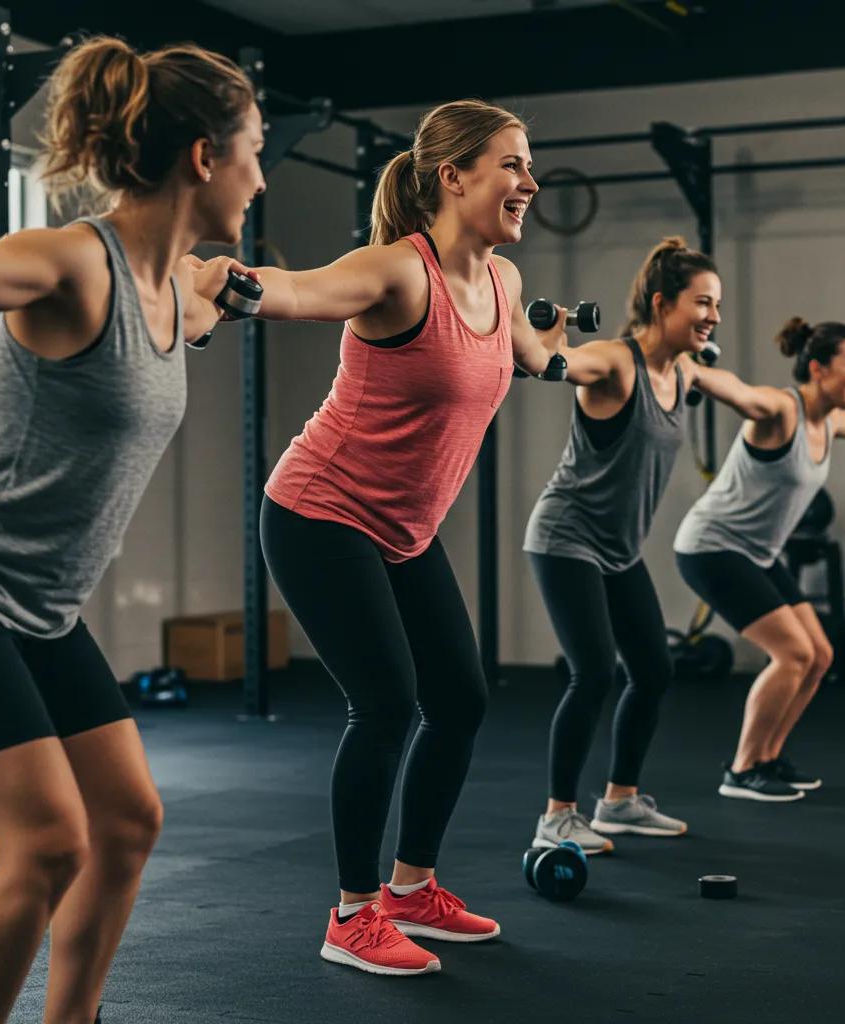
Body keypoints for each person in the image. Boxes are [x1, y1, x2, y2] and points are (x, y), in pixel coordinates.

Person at [0, 37, 264, 1023]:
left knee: (126, 821)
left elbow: (199, 302)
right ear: (204, 157)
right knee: (49, 845)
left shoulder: (172, 293)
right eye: (254, 150)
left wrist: (222, 288)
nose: (262, 173)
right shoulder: (73, 262)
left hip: (40, 608)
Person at [254, 98, 587, 977]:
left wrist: (557, 357)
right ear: (454, 176)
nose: (530, 181)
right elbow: (304, 291)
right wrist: (239, 287)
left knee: (462, 698)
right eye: (513, 164)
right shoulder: (400, 273)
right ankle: (353, 913)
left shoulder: (505, 282)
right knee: (390, 703)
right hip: (320, 513)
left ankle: (411, 889)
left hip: (403, 530)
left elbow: (523, 350)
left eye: (529, 164)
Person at [523, 236, 718, 854]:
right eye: (703, 303)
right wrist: (552, 338)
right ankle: (557, 816)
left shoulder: (683, 371)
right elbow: (553, 365)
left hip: (618, 548)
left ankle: (620, 801)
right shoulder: (614, 361)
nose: (713, 316)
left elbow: (737, 387)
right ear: (662, 304)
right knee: (593, 672)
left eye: (716, 305)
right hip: (565, 535)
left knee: (654, 669)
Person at [674, 317, 845, 801]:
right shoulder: (780, 411)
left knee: (820, 656)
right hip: (712, 547)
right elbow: (741, 393)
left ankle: (768, 758)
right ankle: (742, 769)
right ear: (817, 368)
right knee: (793, 655)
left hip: (756, 553)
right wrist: (691, 370)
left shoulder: (830, 420)